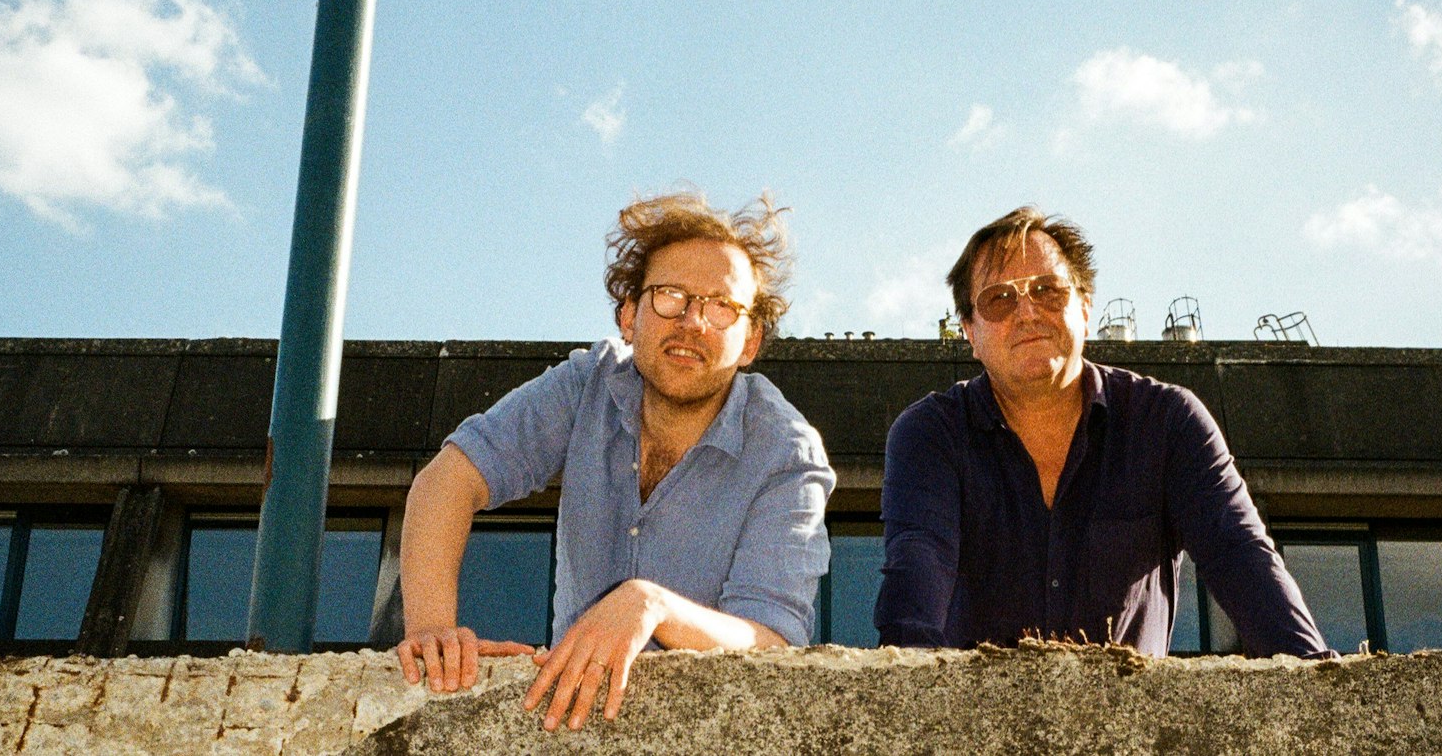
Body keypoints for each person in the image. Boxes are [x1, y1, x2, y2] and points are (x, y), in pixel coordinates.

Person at [396, 191, 834, 731]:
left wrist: (653, 604)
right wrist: (431, 628)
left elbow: (772, 641)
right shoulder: (588, 384)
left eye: (722, 307)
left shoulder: (787, 451)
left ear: (750, 342)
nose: (694, 322)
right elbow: (449, 479)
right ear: (629, 316)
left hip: (710, 731)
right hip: (571, 724)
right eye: (670, 295)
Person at [875, 205, 1328, 658]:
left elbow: (1241, 556)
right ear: (970, 332)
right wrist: (905, 685)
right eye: (1000, 299)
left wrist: (1315, 685)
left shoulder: (1168, 422)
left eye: (1048, 290)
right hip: (973, 723)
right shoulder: (929, 435)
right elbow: (918, 567)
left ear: (1085, 308)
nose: (1028, 312)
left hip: (1132, 724)